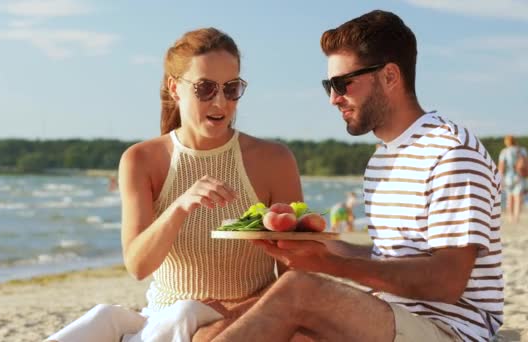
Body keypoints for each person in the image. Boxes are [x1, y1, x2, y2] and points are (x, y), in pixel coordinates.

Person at [212, 10, 502, 342]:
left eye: (342, 83)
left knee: (298, 290)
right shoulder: (383, 159)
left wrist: (327, 265)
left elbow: (446, 281)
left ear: (390, 76)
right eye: (328, 85)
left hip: (450, 330)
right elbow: (394, 260)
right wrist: (316, 248)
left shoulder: (451, 153)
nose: (334, 98)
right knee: (221, 323)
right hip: (392, 318)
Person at [46, 27, 303, 342]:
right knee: (104, 317)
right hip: (163, 322)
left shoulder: (273, 160)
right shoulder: (141, 159)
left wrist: (245, 314)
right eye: (205, 88)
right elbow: (138, 266)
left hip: (246, 322)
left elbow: (296, 276)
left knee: (180, 315)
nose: (221, 101)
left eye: (231, 88)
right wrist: (180, 206)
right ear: (174, 88)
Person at [498, 135, 527, 224]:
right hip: (519, 176)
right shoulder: (522, 150)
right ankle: (516, 218)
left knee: (510, 198)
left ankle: (511, 217)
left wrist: (500, 178)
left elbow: (501, 167)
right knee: (518, 198)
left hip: (508, 177)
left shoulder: (504, 151)